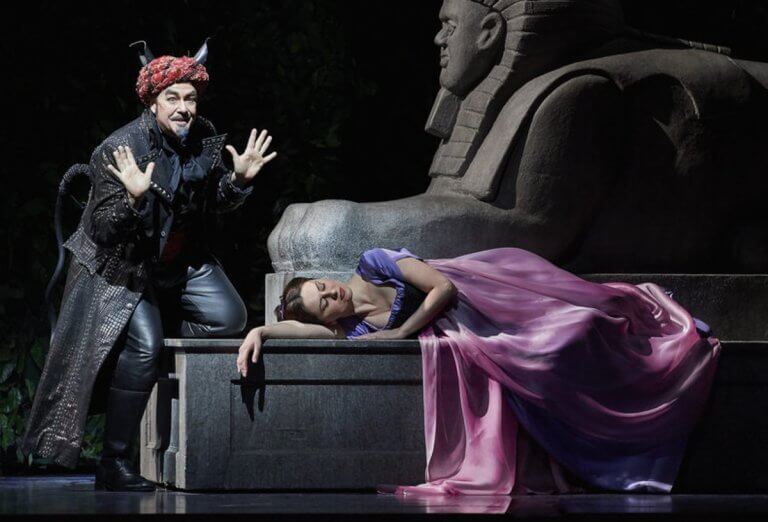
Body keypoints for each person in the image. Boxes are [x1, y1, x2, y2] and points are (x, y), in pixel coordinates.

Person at [237, 247, 721, 495]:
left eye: (323, 286)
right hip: (472, 330)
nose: (330, 294)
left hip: (484, 291)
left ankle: (651, 333)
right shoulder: (353, 330)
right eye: (323, 303)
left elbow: (442, 288)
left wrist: (403, 332)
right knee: (549, 358)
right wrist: (261, 330)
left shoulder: (373, 263)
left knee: (586, 317)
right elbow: (306, 332)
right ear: (327, 319)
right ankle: (618, 428)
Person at [23, 39, 277, 492]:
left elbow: (213, 201)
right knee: (144, 347)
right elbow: (102, 230)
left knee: (229, 318)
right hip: (125, 267)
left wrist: (237, 182)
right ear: (153, 102)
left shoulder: (201, 138)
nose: (183, 108)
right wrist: (132, 199)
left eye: (190, 98)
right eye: (172, 98)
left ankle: (155, 335)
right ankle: (113, 462)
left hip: (179, 262)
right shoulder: (119, 147)